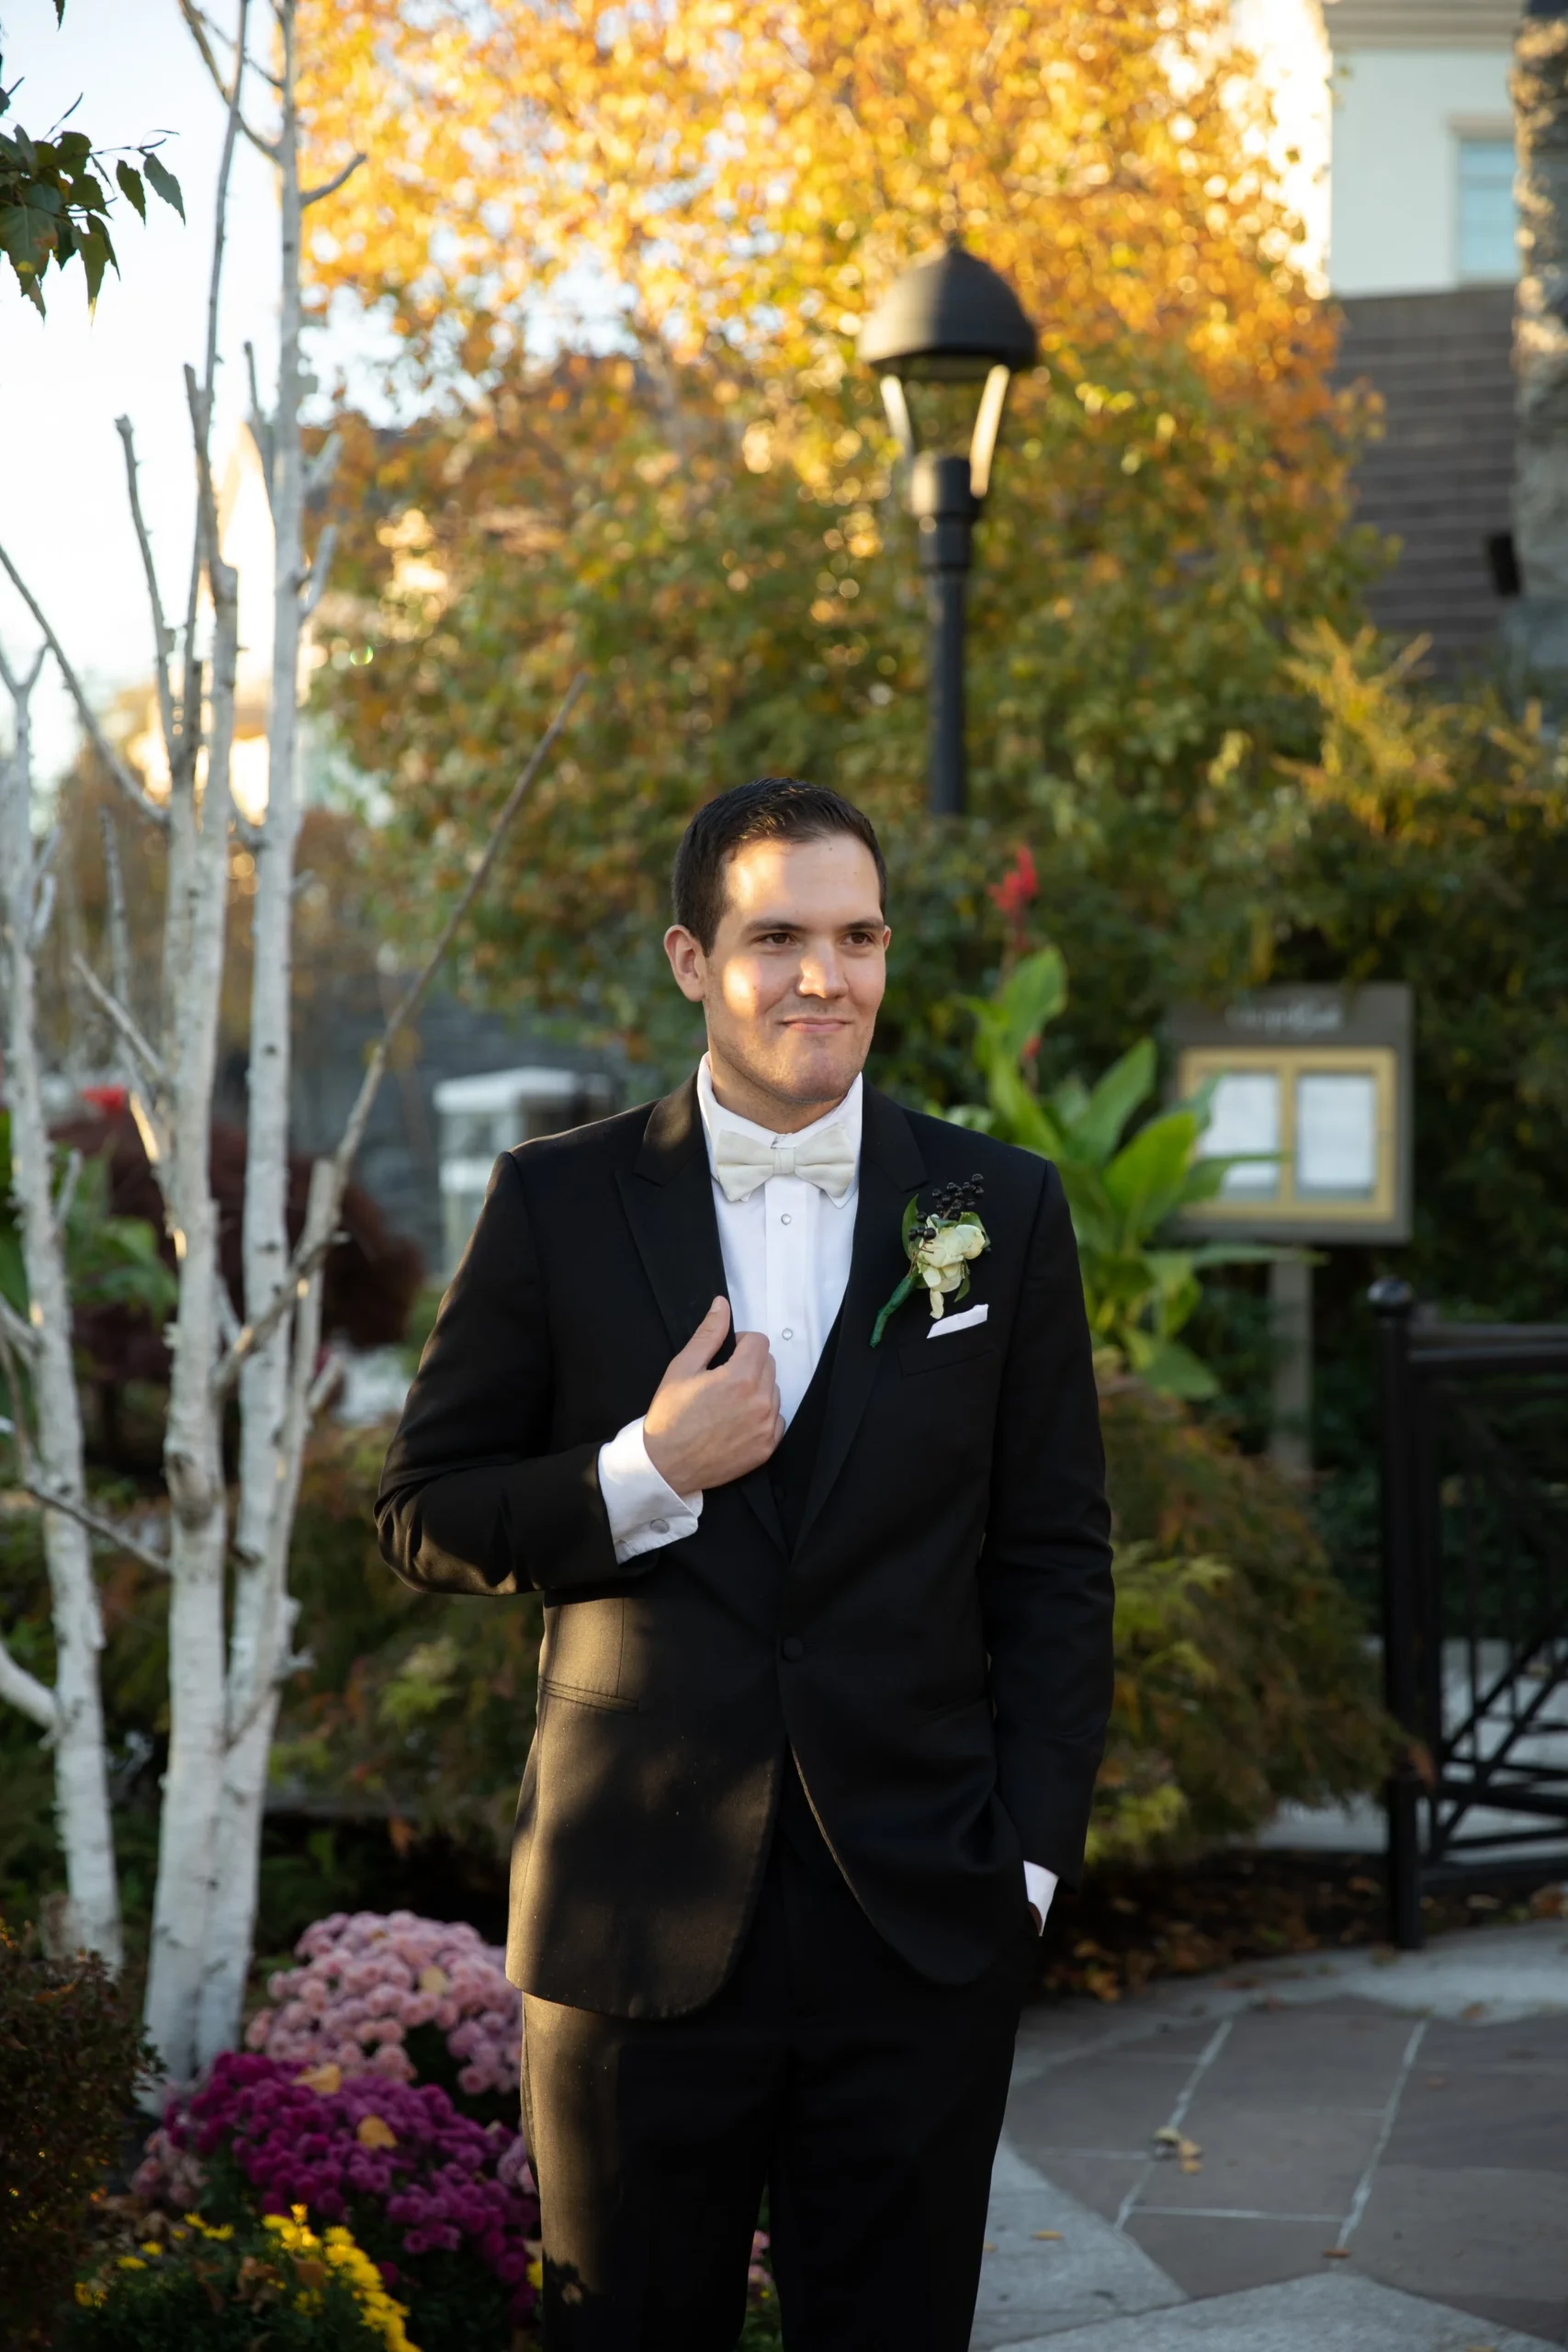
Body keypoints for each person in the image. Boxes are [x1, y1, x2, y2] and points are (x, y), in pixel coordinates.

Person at [377, 775, 1114, 2351]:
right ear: (690, 960)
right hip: (629, 1914)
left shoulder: (999, 1208)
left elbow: (1055, 1559)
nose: (821, 978)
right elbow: (422, 1511)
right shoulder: (556, 1201)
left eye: (857, 938)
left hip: (918, 1917)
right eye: (776, 938)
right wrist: (646, 1471)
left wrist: (1027, 1862)